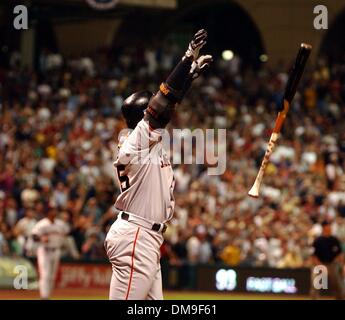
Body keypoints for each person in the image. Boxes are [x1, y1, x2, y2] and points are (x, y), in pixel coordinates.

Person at [104, 29, 213, 300]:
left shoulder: (146, 140)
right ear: (143, 115)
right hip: (136, 237)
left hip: (146, 237)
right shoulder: (135, 143)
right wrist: (186, 59)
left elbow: (167, 105)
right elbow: (162, 105)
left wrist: (187, 79)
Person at [31, 204, 69, 299]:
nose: (54, 212)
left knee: (52, 276)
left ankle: (48, 295)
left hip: (56, 251)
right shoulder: (42, 224)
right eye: (52, 210)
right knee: (45, 274)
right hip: (44, 251)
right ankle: (44, 297)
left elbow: (67, 232)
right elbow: (34, 236)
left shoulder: (60, 224)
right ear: (47, 213)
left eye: (55, 210)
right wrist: (40, 238)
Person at [310, 220, 345, 300]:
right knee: (315, 285)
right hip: (319, 264)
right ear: (323, 228)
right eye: (327, 226)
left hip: (332, 264)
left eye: (330, 226)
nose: (329, 228)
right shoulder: (317, 240)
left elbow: (340, 254)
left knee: (338, 286)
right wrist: (321, 266)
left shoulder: (334, 240)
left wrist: (342, 266)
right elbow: (313, 256)